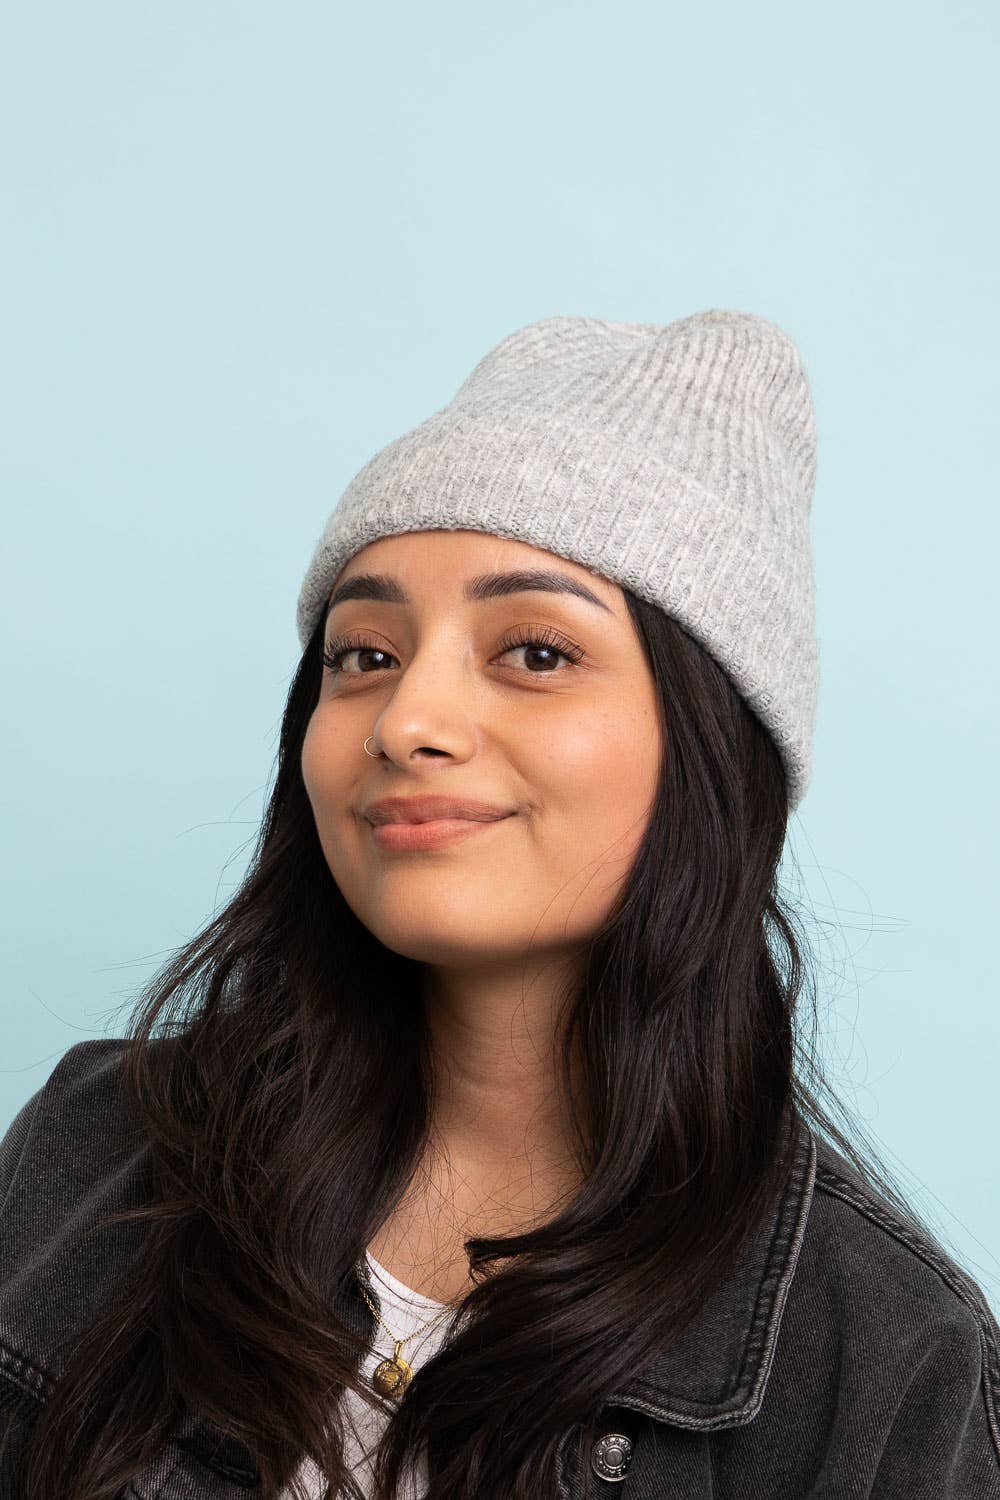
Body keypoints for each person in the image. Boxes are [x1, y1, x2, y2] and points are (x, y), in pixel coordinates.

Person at [1, 310, 997, 1500]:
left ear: (712, 748)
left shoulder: (888, 1361)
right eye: (363, 655)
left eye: (534, 653)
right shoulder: (92, 1150)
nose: (406, 721)